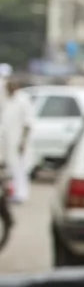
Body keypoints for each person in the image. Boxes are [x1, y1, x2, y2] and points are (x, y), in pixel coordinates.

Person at [0, 77, 31, 205]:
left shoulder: (23, 100)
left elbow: (28, 124)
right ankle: (8, 192)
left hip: (17, 141)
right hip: (5, 141)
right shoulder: (6, 99)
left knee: (19, 168)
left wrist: (23, 142)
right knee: (6, 168)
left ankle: (20, 194)